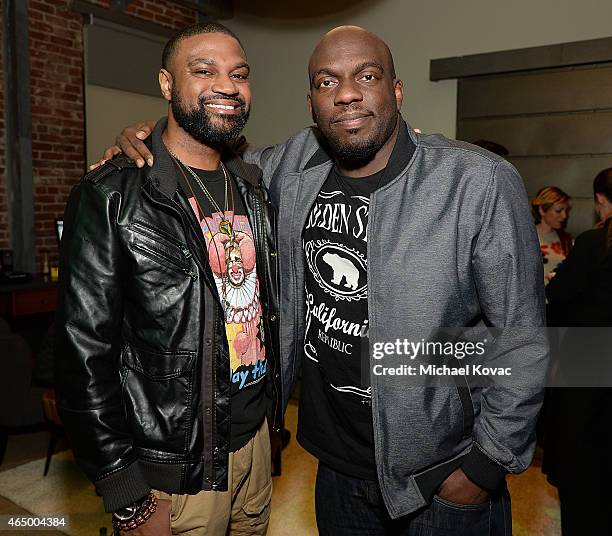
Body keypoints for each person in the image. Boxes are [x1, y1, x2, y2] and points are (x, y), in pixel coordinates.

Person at [102, 25, 547, 535]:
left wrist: (487, 464)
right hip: (334, 469)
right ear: (312, 103)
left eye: (368, 76)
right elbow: (199, 154)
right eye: (327, 81)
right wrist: (146, 142)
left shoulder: (477, 183)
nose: (348, 93)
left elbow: (524, 338)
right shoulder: (286, 170)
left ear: (397, 91)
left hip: (442, 475)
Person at [55, 22, 281, 536]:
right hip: (173, 472)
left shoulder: (253, 187)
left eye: (239, 74)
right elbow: (82, 353)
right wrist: (123, 487)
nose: (227, 85)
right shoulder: (112, 194)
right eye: (203, 71)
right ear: (166, 83)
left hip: (254, 448)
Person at [543, 168, 612, 535]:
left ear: (600, 201)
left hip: (588, 358)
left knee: (582, 470)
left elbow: (559, 298)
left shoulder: (591, 243)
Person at [530, 186, 572, 285]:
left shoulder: (566, 240)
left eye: (566, 211)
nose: (564, 216)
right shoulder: (528, 238)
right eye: (558, 211)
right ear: (542, 210)